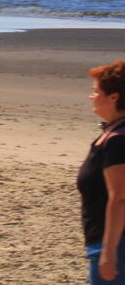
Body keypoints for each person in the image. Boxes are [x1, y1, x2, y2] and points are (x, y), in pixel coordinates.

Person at [79, 60, 125, 284]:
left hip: (117, 245)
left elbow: (120, 198)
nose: (91, 96)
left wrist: (109, 251)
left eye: (96, 91)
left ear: (114, 97)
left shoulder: (119, 141)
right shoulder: (111, 134)